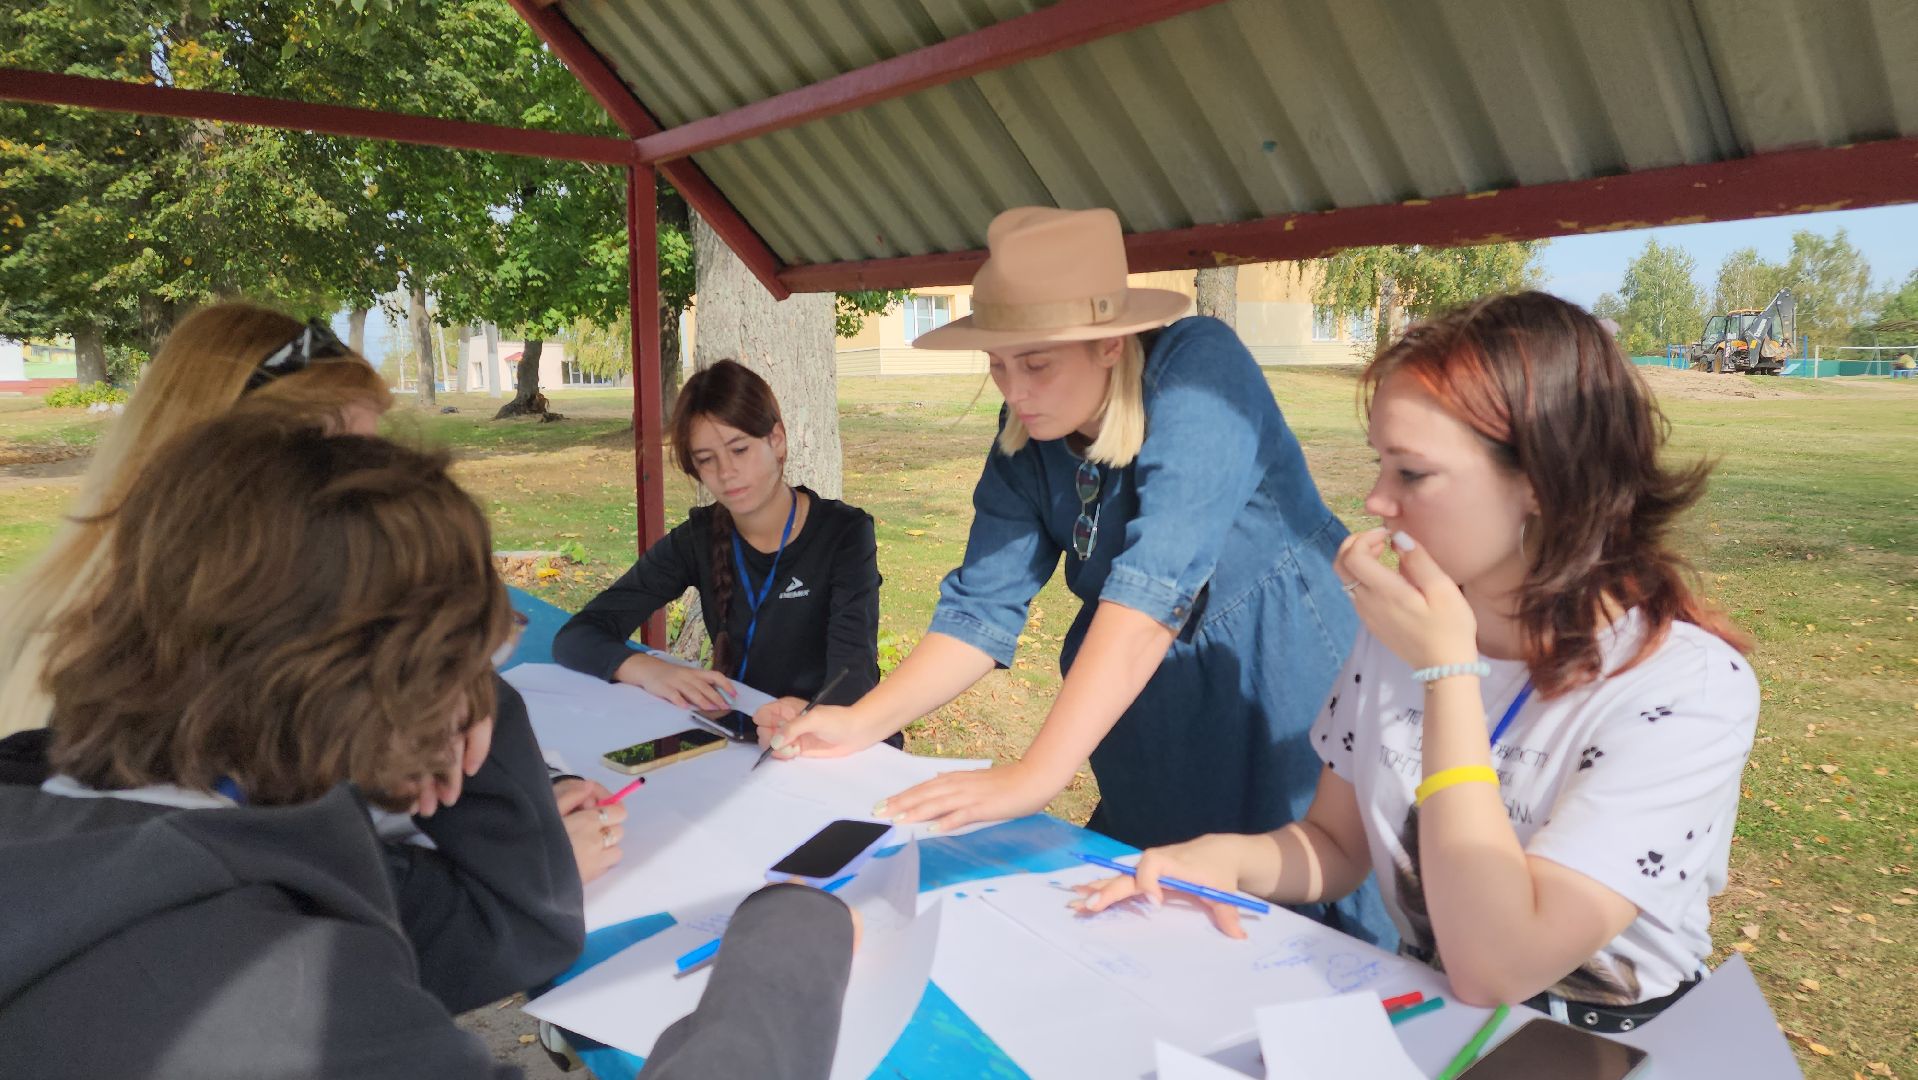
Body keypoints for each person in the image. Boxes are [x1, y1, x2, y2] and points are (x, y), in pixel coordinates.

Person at [0, 415, 858, 1079]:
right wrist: (790, 937)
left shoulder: (49, 797)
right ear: (388, 685)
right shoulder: (288, 1006)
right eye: (479, 666)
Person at [1076, 292, 1759, 1032]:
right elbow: (1336, 846)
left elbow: (1496, 966)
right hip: (1433, 1023)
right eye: (1380, 466)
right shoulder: (1404, 631)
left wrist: (1448, 673)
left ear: (1542, 481)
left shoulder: (1685, 690)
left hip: (1607, 1044)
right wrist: (1223, 860)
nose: (1375, 501)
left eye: (1413, 474)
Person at [760, 207, 1387, 943]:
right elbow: (978, 611)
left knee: (1304, 927)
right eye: (997, 365)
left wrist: (1033, 776)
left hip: (1283, 687)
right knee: (1161, 912)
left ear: (1109, 343)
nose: (1014, 390)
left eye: (1036, 363)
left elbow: (1155, 588)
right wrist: (861, 724)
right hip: (1150, 713)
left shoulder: (1200, 371)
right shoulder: (1026, 440)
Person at [0, 302, 612, 1011]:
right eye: (356, 468)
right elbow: (461, 920)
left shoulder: (112, 625)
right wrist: (532, 854)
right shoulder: (148, 682)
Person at [554, 359, 884, 727]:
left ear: (776, 441)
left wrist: (798, 721)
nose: (726, 472)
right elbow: (578, 636)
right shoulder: (698, 537)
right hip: (735, 739)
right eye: (707, 460)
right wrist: (651, 671)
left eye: (739, 450)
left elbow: (852, 679)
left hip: (828, 742)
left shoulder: (844, 534)